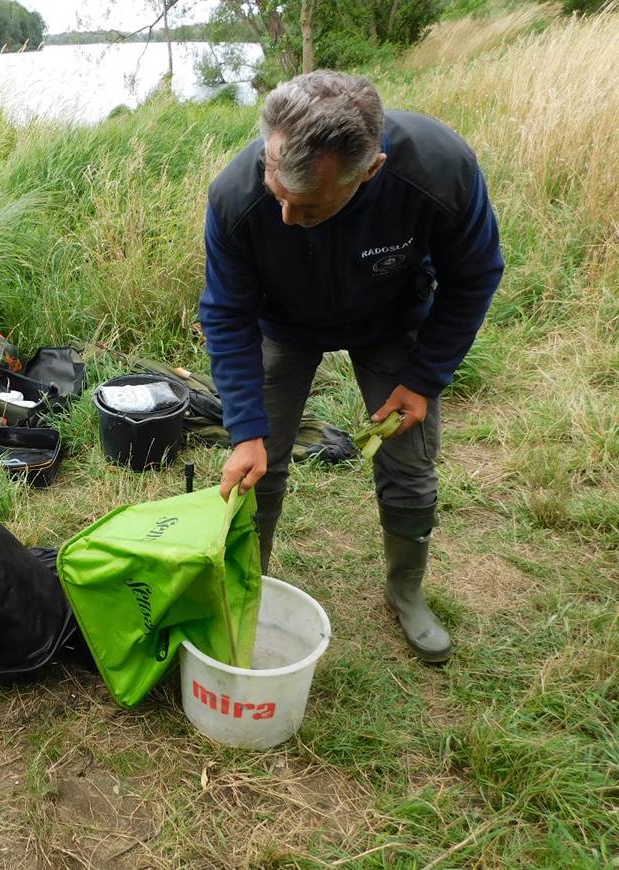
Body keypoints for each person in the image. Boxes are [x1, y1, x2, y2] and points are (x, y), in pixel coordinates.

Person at [200, 71, 504, 664]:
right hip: (281, 324)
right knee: (257, 465)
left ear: (371, 170)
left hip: (391, 320)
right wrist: (246, 429)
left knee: (409, 461)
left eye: (307, 204)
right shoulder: (237, 195)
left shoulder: (438, 170)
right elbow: (226, 313)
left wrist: (422, 381)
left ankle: (405, 591)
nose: (285, 215)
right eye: (276, 187)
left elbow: (474, 276)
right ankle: (247, 587)